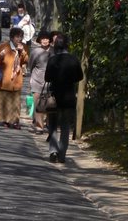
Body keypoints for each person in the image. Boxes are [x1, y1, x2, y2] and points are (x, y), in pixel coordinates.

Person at [43, 33, 84, 163]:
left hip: (54, 97)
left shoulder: (53, 60)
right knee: (65, 126)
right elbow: (80, 77)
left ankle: (53, 151)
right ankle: (62, 154)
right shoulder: (73, 59)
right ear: (67, 45)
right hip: (69, 96)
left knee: (53, 125)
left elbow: (47, 78)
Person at [0, 27, 29, 129]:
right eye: (17, 37)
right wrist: (1, 56)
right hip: (5, 77)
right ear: (12, 37)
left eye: (21, 37)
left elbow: (25, 60)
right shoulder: (4, 46)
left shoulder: (24, 47)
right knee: (4, 99)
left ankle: (14, 121)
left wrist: (22, 52)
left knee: (15, 102)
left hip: (16, 78)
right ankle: (5, 120)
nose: (19, 39)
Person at [26, 31, 53, 134]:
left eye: (47, 39)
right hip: (37, 80)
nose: (45, 41)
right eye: (43, 39)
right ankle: (39, 126)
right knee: (38, 104)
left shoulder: (53, 52)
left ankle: (49, 125)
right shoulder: (35, 51)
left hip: (50, 82)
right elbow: (31, 65)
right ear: (39, 40)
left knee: (49, 105)